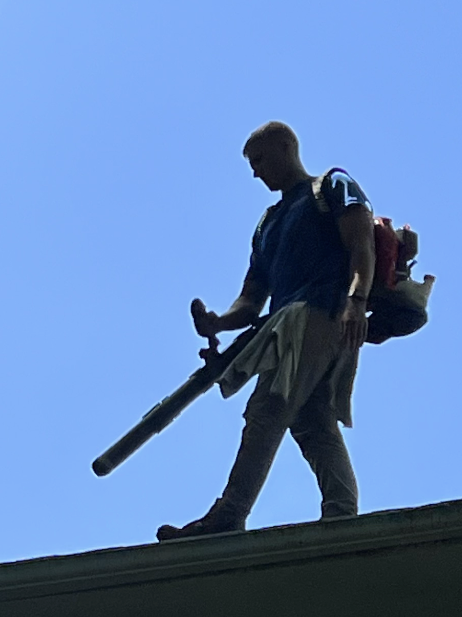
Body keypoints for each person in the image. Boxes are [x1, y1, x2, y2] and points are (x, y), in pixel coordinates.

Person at [156, 121, 375, 541]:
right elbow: (252, 298)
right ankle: (342, 514)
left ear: (287, 147)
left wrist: (356, 301)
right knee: (311, 420)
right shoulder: (268, 223)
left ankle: (229, 513)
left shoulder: (331, 185)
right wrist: (217, 322)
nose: (256, 172)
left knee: (268, 408)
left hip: (322, 312)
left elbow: (360, 241)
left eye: (259, 160)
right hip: (285, 322)